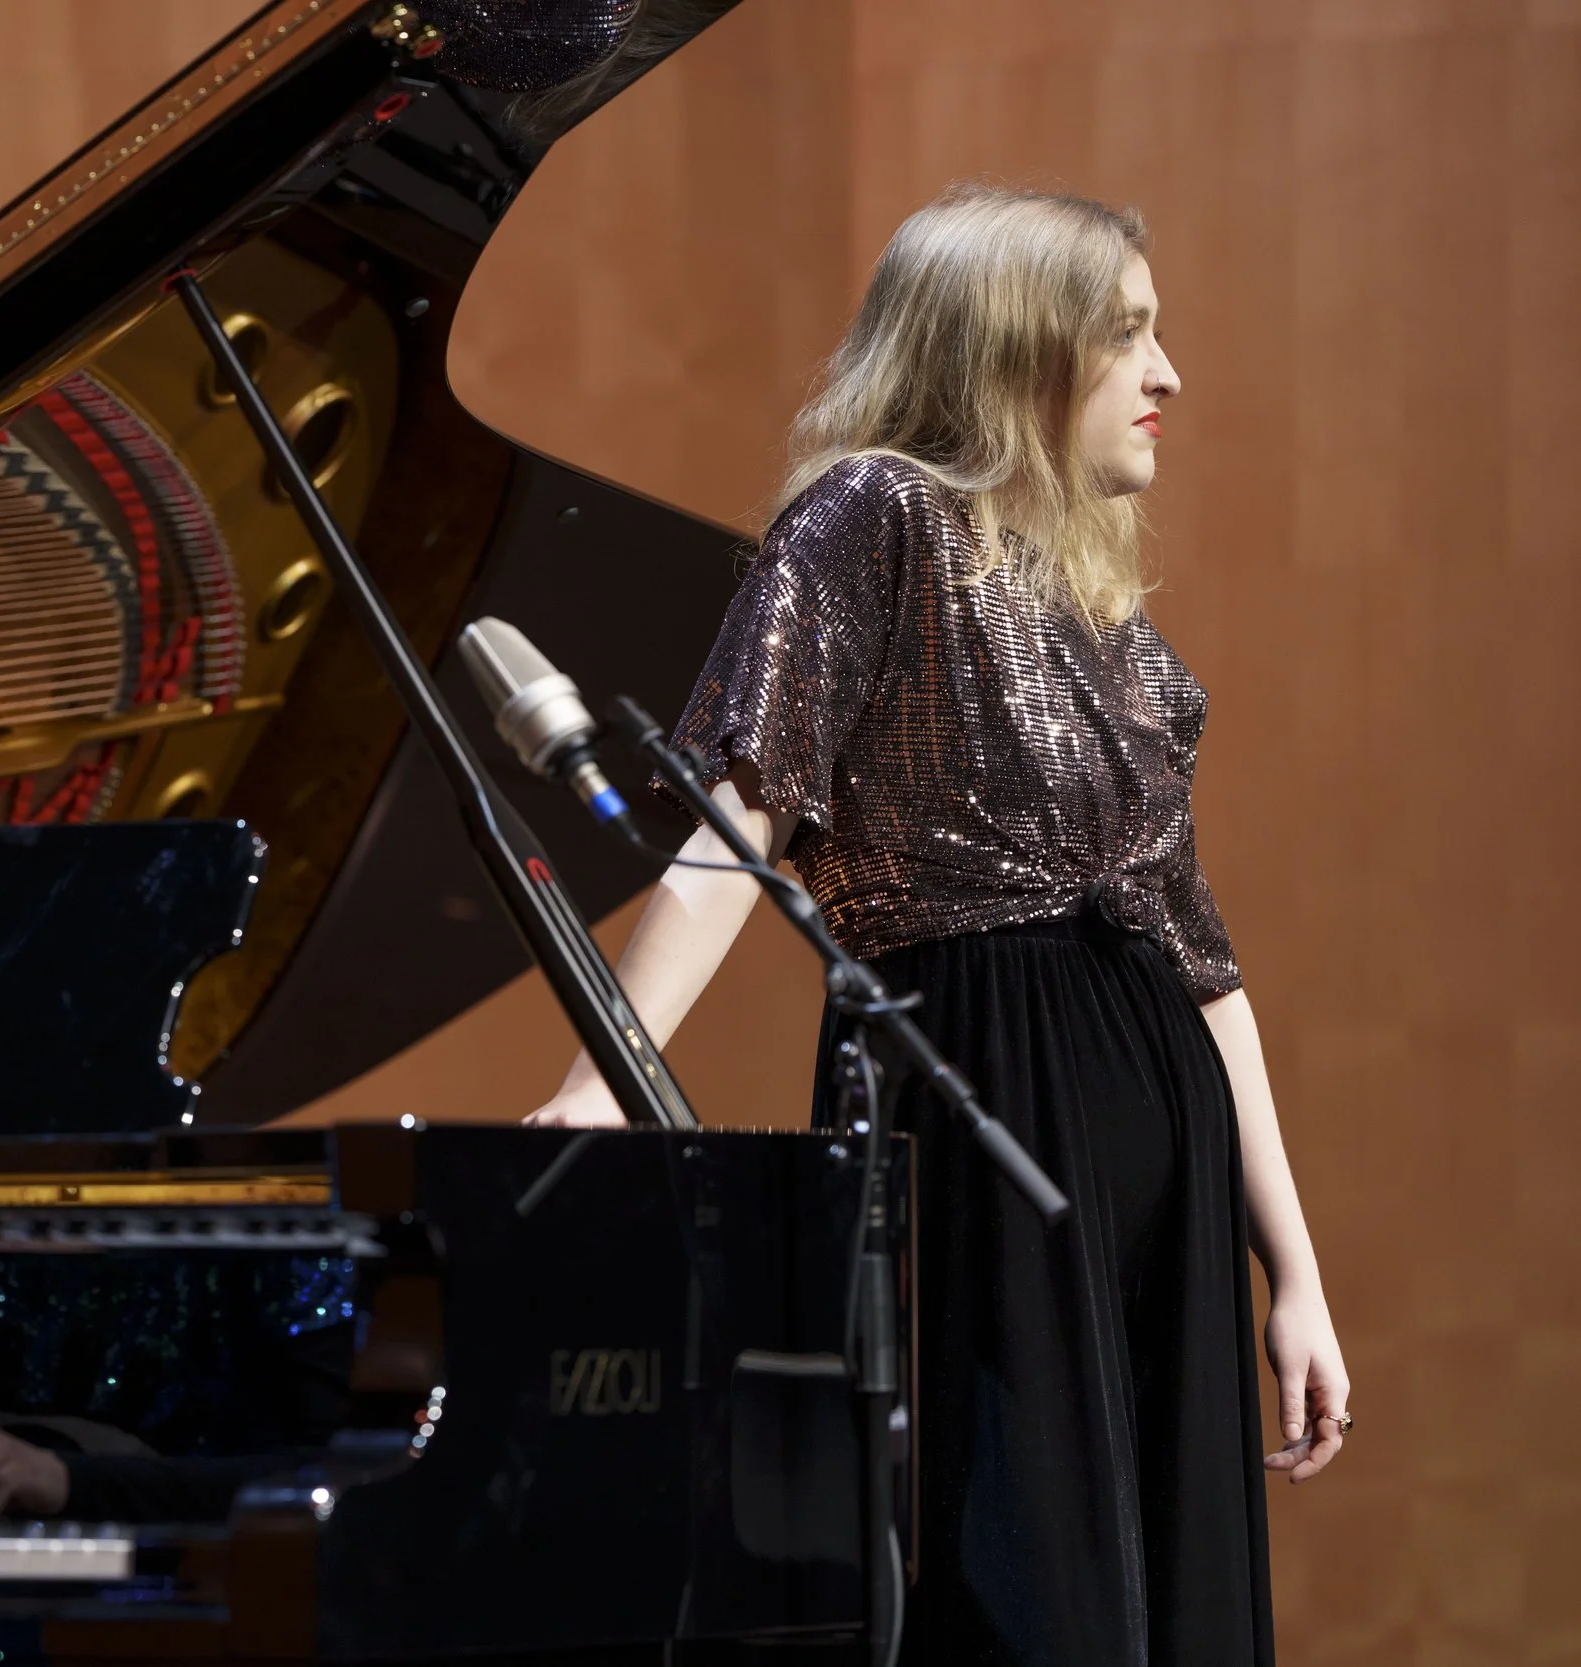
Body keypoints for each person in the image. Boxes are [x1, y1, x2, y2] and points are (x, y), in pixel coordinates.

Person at [527, 186, 1349, 1665]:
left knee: (1176, 1600)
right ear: (1020, 353)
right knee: (1022, 1582)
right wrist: (604, 1063)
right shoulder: (874, 517)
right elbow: (739, 816)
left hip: (1153, 1129)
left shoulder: (1114, 628)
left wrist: (1292, 1269)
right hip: (982, 1098)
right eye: (1132, 337)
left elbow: (1206, 968)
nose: (1169, 379)